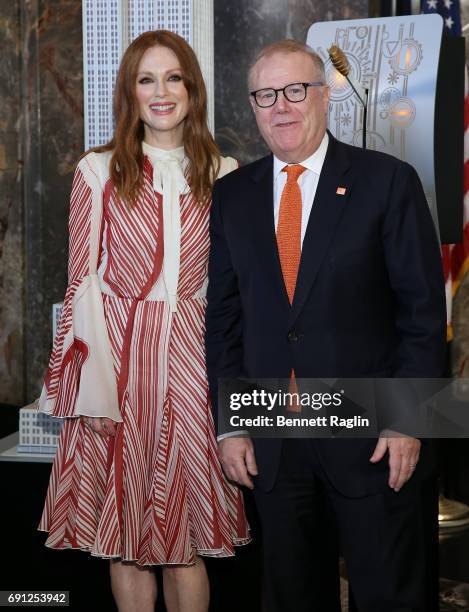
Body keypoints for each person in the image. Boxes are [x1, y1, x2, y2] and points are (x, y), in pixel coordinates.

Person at [205, 39, 446, 612]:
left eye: (295, 90)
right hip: (274, 440)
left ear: (324, 96)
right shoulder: (233, 194)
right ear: (253, 106)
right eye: (266, 95)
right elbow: (224, 317)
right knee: (291, 596)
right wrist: (231, 424)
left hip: (371, 438)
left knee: (390, 595)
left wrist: (406, 420)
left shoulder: (388, 181)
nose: (281, 107)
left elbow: (422, 313)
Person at [38, 30, 250, 612]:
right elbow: (83, 282)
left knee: (187, 544)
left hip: (193, 365)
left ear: (192, 88)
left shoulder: (225, 171)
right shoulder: (97, 170)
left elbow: (233, 291)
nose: (161, 92)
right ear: (130, 92)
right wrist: (96, 396)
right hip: (119, 366)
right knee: (125, 544)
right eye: (146, 79)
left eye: (173, 77)